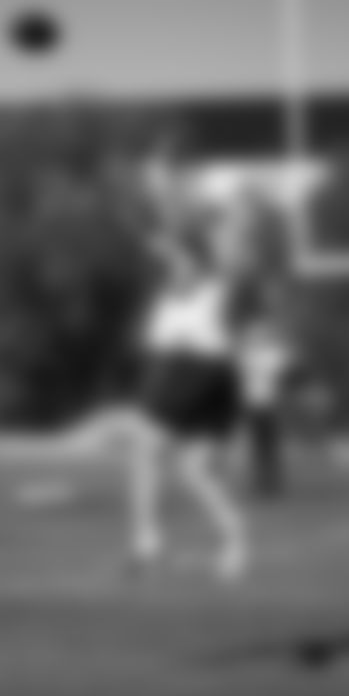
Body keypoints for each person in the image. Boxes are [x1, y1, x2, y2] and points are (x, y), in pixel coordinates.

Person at [128, 221, 251, 583]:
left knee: (146, 445)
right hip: (218, 378)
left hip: (192, 370)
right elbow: (191, 264)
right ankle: (235, 536)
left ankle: (148, 541)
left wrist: (168, 244)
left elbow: (195, 263)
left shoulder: (203, 291)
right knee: (194, 470)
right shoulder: (181, 297)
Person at [238, 316, 295, 500]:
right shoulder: (247, 356)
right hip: (251, 405)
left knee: (270, 444)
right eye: (253, 336)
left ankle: (272, 481)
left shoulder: (273, 354)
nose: (255, 338)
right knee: (257, 445)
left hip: (271, 404)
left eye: (259, 335)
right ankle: (261, 481)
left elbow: (286, 371)